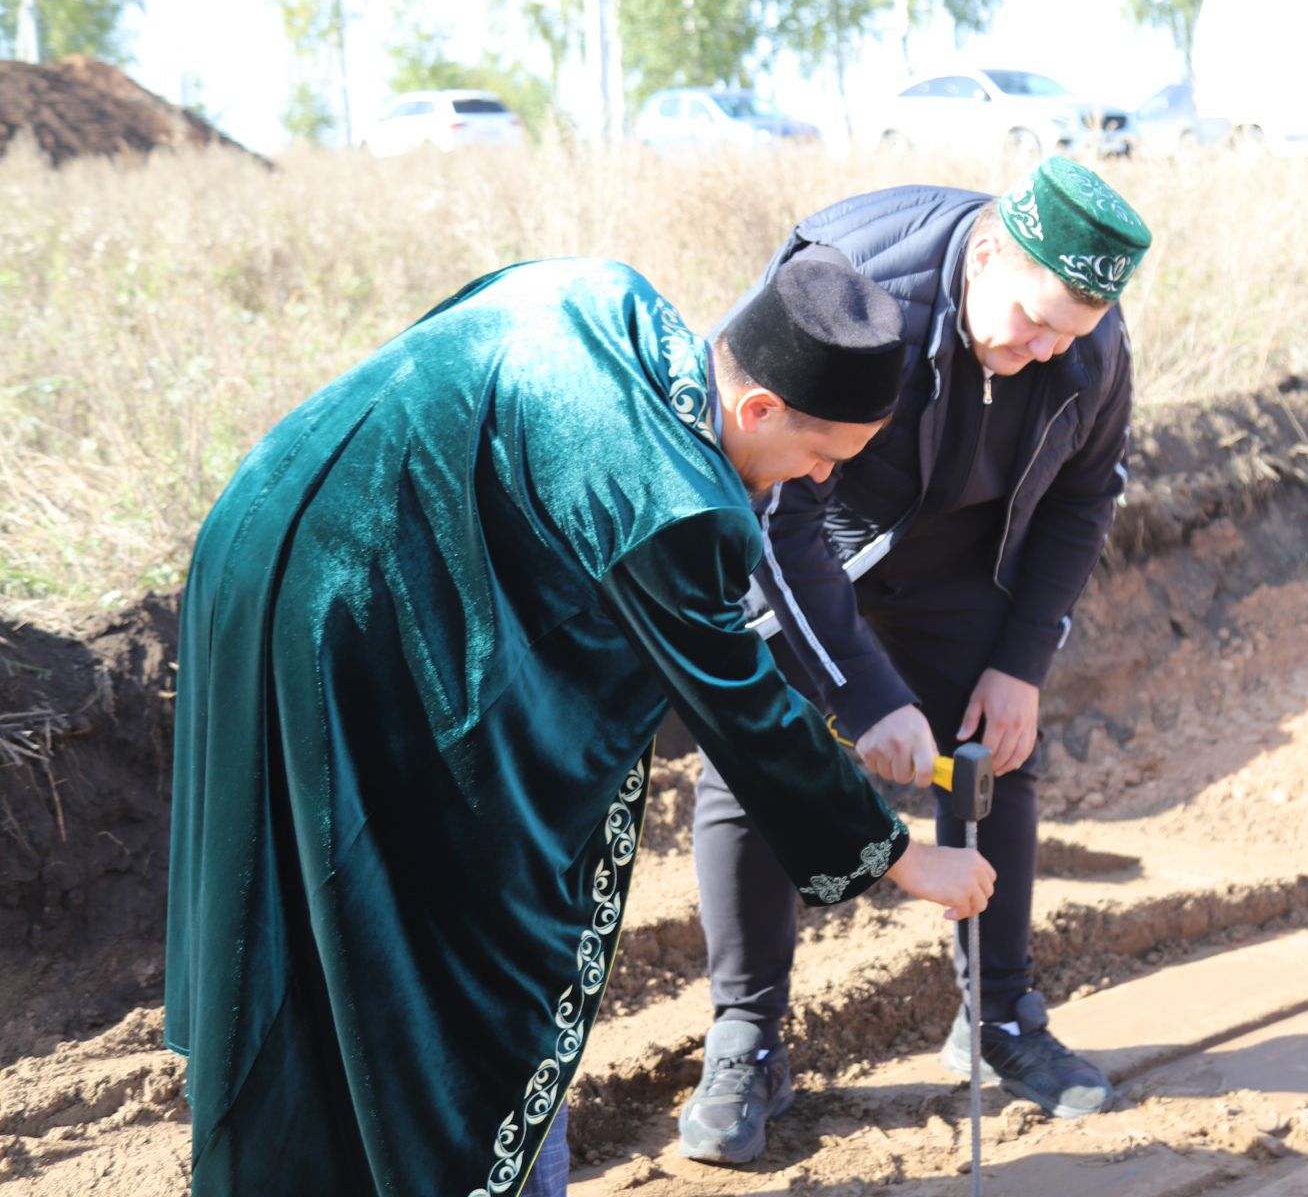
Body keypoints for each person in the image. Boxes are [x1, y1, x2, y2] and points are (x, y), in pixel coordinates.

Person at [162, 256, 996, 1197]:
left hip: (262, 531)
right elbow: (743, 710)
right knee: (460, 931)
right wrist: (900, 857)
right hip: (351, 619)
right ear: (758, 408)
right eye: (822, 458)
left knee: (311, 891)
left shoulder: (605, 294)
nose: (816, 483)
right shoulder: (676, 497)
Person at [681, 156, 1151, 1164]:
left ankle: (1001, 1015)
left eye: (1066, 333)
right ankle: (748, 1039)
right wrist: (866, 694)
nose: (1041, 349)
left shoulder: (1090, 341)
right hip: (815, 529)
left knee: (997, 754)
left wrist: (1022, 658)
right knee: (750, 753)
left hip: (955, 557)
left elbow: (1086, 496)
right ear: (988, 251)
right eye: (1031, 320)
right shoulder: (854, 283)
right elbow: (771, 504)